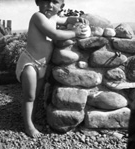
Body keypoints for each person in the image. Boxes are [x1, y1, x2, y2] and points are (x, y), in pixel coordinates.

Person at [15, 0, 89, 137]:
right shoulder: (38, 17)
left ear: (61, 6)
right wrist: (75, 32)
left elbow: (65, 19)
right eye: (45, 1)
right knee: (29, 96)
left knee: (36, 96)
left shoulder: (54, 18)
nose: (49, 5)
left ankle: (32, 120)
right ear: (38, 3)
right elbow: (55, 35)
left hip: (42, 64)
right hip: (30, 62)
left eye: (55, 2)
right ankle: (28, 126)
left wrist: (75, 18)